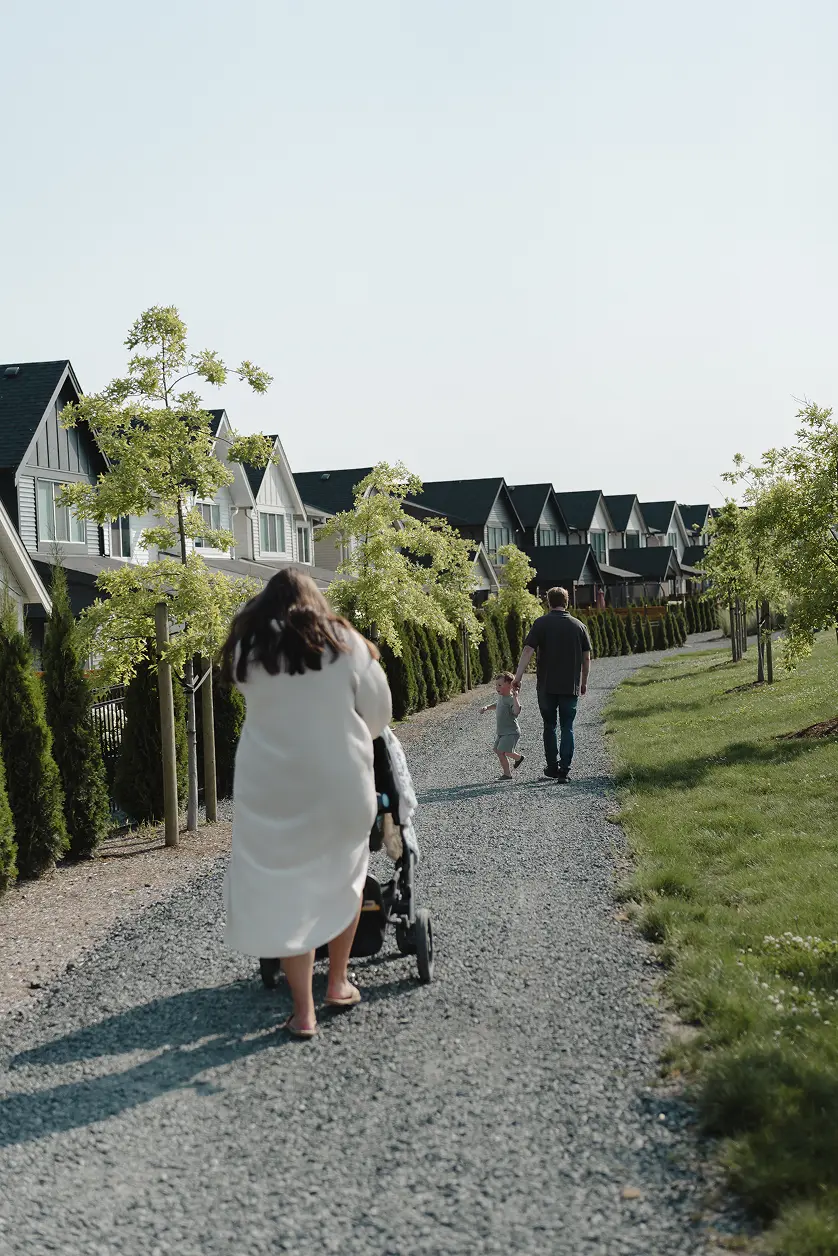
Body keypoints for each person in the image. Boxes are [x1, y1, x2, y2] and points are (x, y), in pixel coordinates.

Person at [220, 568, 392, 1038]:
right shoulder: (345, 642)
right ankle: (336, 983)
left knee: (287, 889)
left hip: (270, 787)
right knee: (347, 875)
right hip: (340, 783)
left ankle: (303, 1011)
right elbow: (379, 712)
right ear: (316, 599)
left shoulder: (249, 646)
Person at [512, 586, 591, 782]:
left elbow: (528, 651)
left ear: (548, 602)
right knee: (567, 726)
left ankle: (552, 767)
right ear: (567, 602)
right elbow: (586, 658)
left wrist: (517, 677)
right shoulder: (579, 626)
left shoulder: (540, 624)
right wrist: (583, 682)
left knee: (549, 726)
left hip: (546, 685)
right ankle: (564, 770)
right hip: (569, 685)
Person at [480, 672, 525, 779]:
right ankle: (517, 760)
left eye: (500, 685)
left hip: (511, 732)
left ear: (509, 685)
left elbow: (516, 711)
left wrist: (515, 697)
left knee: (502, 752)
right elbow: (497, 705)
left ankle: (508, 773)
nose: (497, 687)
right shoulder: (501, 698)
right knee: (497, 750)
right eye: (496, 685)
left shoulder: (510, 699)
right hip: (502, 732)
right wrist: (487, 707)